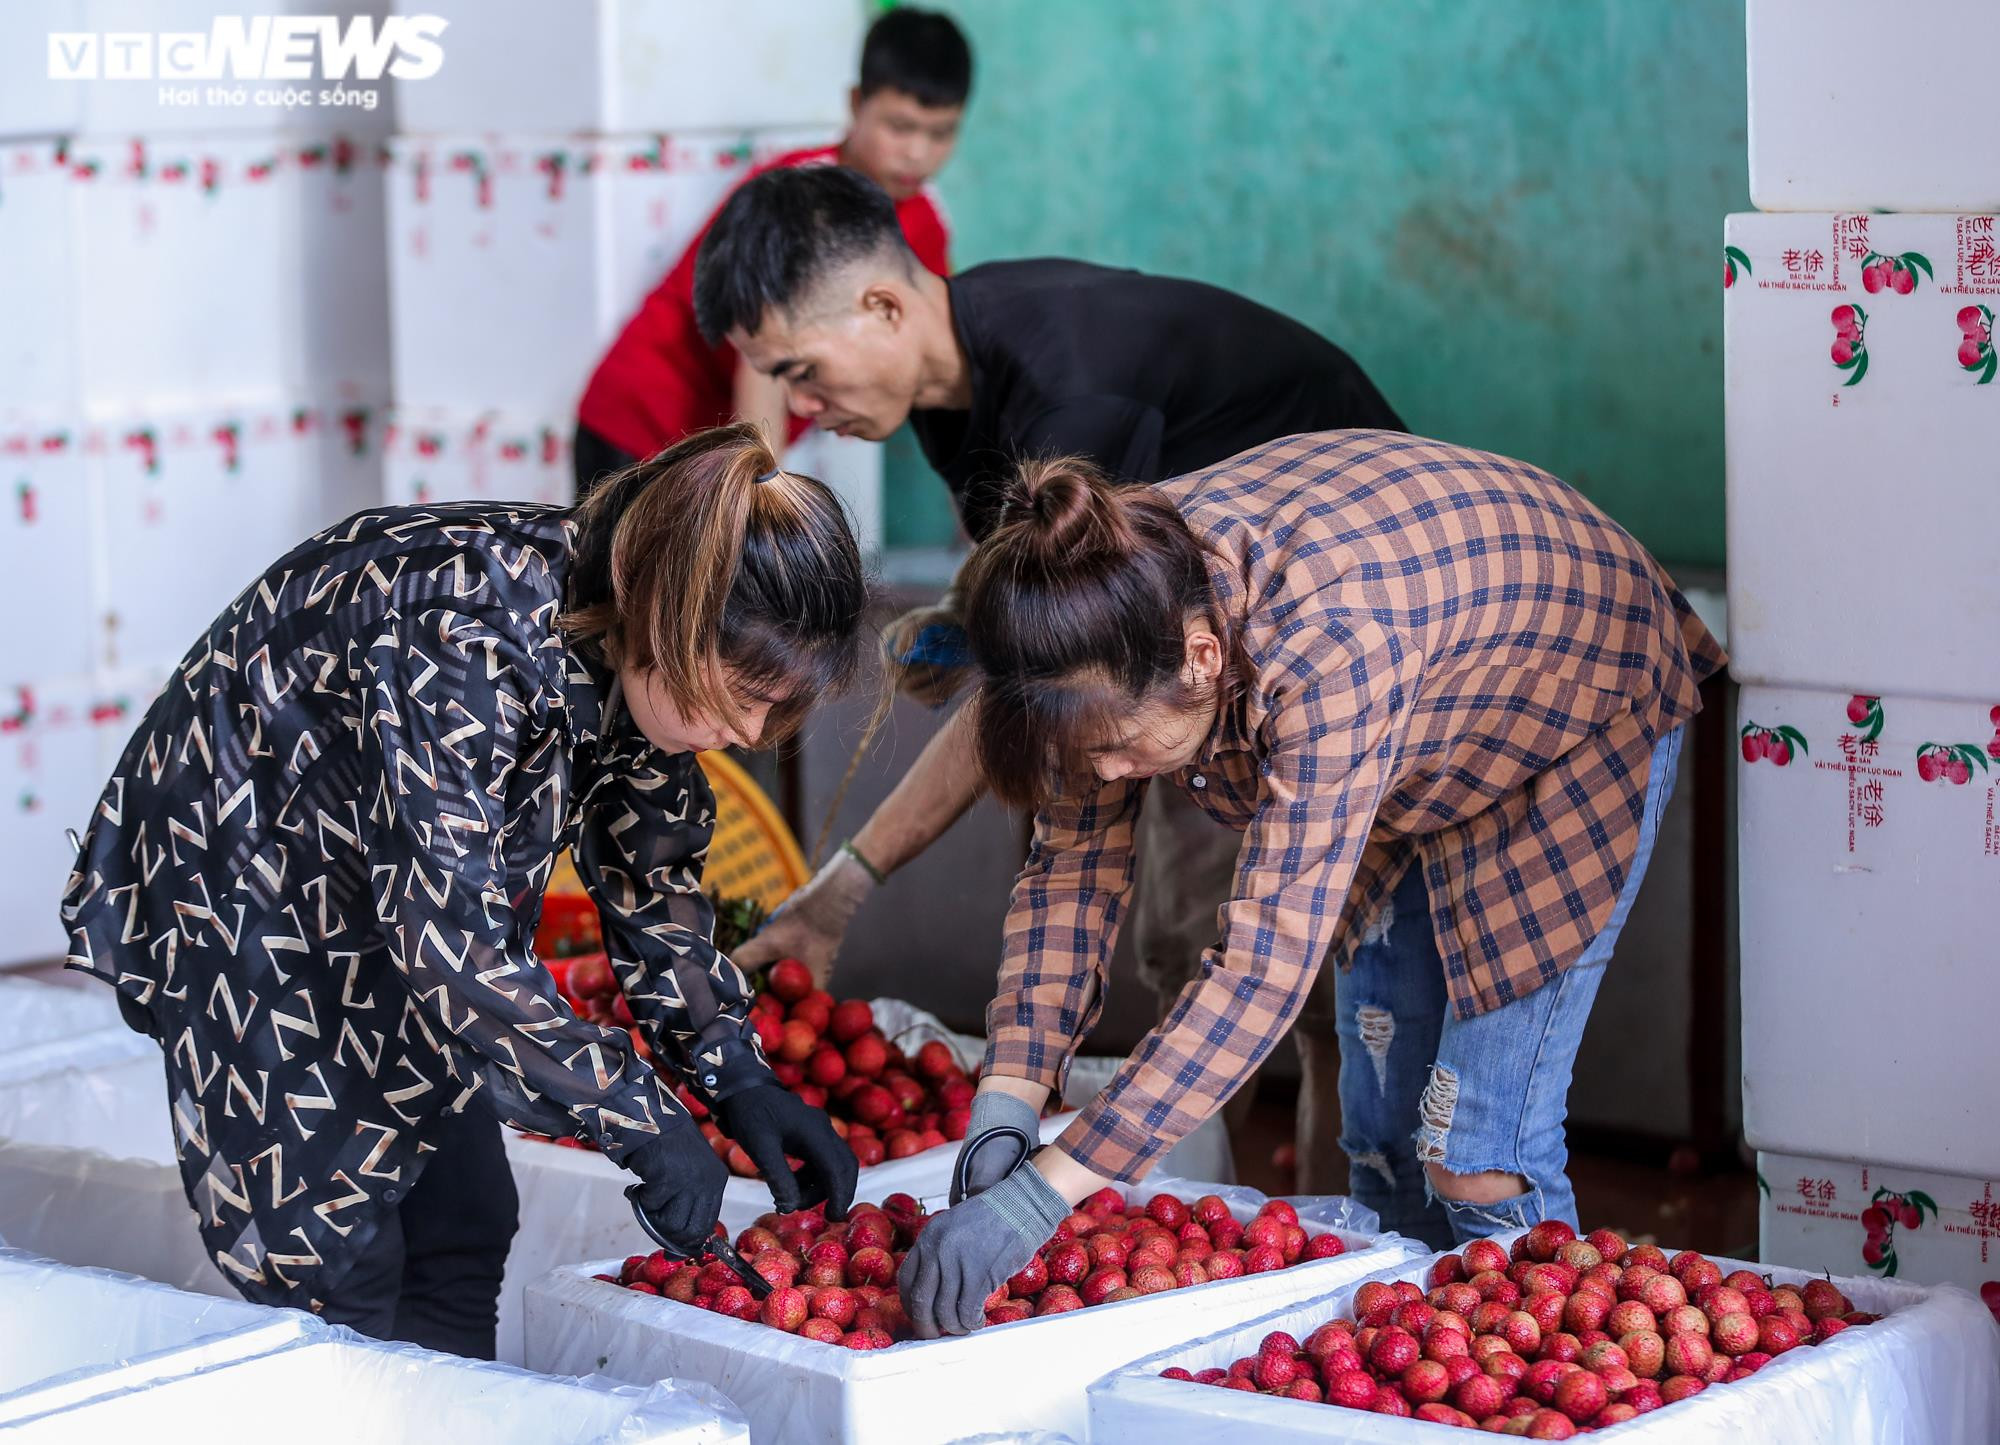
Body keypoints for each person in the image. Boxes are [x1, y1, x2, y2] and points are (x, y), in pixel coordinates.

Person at [893, 431, 1726, 1336]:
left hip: (1567, 706)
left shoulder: (1329, 643)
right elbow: (1067, 875)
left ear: (1204, 658)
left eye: (1123, 748)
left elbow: (1262, 969)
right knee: (1379, 1134)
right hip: (1415, 733)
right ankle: (1413, 1377)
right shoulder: (1091, 616)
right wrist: (1006, 1103)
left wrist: (1042, 1195)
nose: (1110, 774)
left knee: (1478, 1150)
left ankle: (1545, 1377)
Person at [59, 424, 865, 1357]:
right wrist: (640, 1116)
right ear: (672, 623)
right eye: (740, 695)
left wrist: (735, 1073)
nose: (748, 730)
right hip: (248, 872)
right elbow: (456, 954)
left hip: (385, 889)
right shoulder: (463, 643)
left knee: (466, 1217)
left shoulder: (635, 630)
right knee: (335, 1253)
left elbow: (652, 871)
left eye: (771, 707)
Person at [698, 164, 1404, 1183]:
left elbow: (1027, 690)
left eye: (800, 371)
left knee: (1262, 955)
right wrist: (953, 625)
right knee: (1180, 938)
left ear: (883, 305)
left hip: (1327, 629)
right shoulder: (956, 385)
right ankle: (1185, 1203)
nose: (801, 408)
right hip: (1189, 635)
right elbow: (1030, 626)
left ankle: (1304, 1222)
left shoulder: (1066, 385)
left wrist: (842, 886)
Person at [573, 7, 971, 494]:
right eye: (900, 127)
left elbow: (929, 355)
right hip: (640, 424)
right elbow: (762, 363)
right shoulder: (796, 198)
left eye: (940, 133)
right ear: (854, 104)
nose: (918, 153)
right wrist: (763, 491)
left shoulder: (926, 223)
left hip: (717, 453)